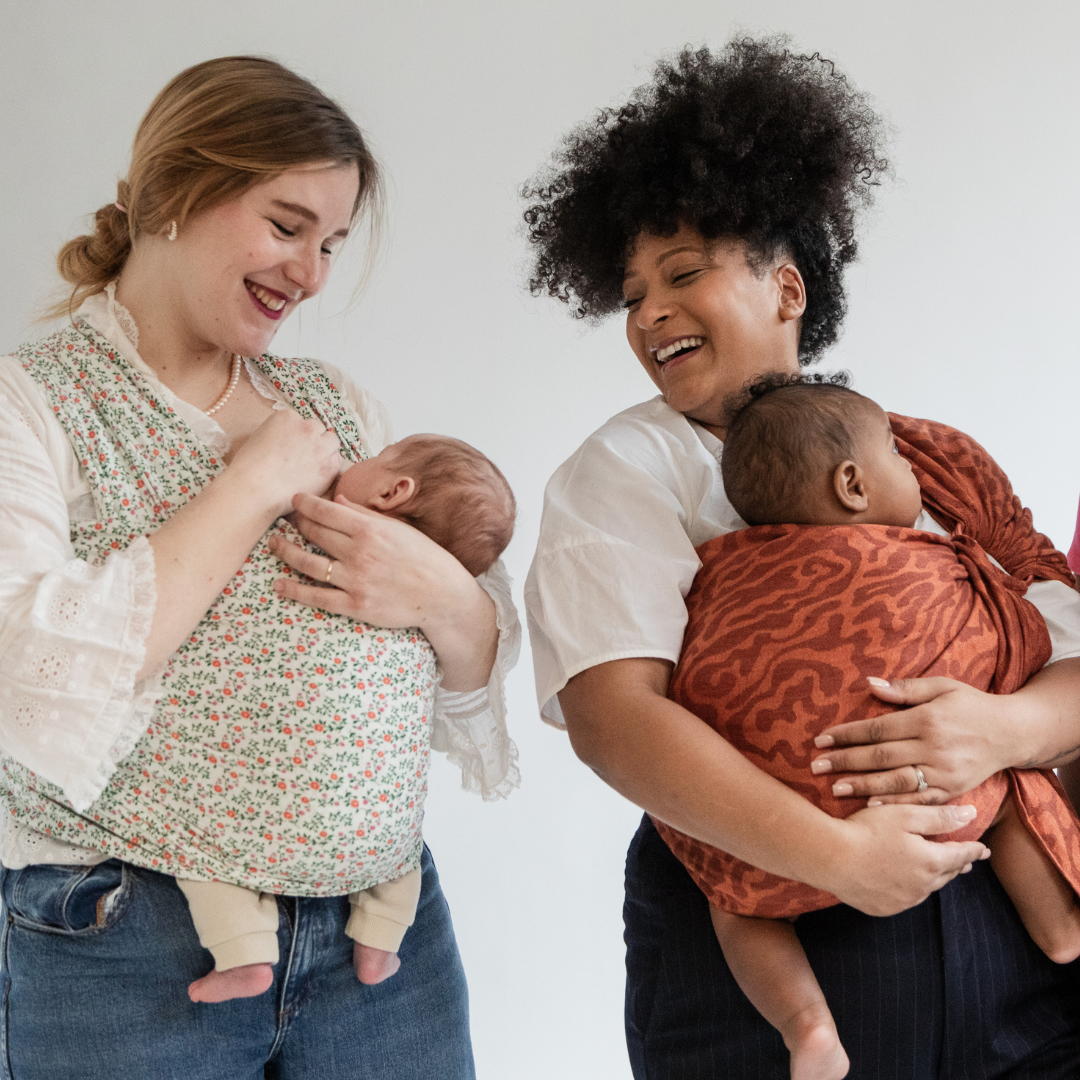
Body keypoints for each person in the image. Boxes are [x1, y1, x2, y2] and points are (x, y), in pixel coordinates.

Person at [522, 39, 1080, 1076]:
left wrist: (1000, 728)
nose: (648, 314)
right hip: (762, 909)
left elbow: (1066, 635)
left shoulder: (922, 462)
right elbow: (612, 719)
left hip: (996, 921)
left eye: (683, 274)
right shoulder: (625, 468)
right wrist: (840, 858)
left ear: (787, 288)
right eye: (633, 292)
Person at [0, 56, 519, 1080]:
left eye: (330, 243)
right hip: (126, 936)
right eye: (287, 227)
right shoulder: (34, 404)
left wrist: (442, 595)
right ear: (172, 197)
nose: (313, 273)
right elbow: (25, 679)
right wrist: (250, 486)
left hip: (375, 930)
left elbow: (464, 659)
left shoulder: (338, 402)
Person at [686, 373, 1080, 1080]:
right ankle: (1063, 930)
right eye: (898, 461)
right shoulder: (937, 571)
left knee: (734, 908)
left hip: (767, 834)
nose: (913, 472)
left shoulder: (725, 571)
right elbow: (1025, 640)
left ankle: (807, 1027)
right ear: (853, 485)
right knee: (1006, 777)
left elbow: (698, 674)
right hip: (929, 802)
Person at [180, 433, 516, 999]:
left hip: (264, 781)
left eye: (377, 458)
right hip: (375, 804)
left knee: (203, 844)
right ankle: (379, 944)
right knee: (396, 853)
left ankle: (244, 953)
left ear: (393, 489)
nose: (359, 458)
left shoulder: (318, 517)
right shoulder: (418, 593)